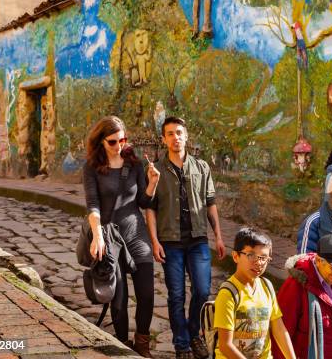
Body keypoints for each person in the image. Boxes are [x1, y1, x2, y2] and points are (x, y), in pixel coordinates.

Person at [145, 116, 226, 359]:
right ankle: (182, 346)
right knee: (176, 295)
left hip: (198, 240)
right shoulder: (155, 170)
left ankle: (193, 334)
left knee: (202, 291)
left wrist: (219, 237)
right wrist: (154, 241)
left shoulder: (202, 167)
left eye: (179, 132)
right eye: (170, 133)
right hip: (170, 242)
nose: (175, 137)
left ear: (186, 136)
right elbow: (149, 207)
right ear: (164, 139)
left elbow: (210, 204)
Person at [83, 116, 159, 357]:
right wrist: (97, 236)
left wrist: (152, 183)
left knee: (146, 293)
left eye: (123, 140)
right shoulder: (92, 167)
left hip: (135, 231)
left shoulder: (134, 163)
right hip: (108, 235)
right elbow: (92, 206)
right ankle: (124, 346)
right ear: (101, 141)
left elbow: (143, 202)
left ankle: (142, 343)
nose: (119, 146)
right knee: (119, 299)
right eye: (113, 141)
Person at [214, 228, 296, 359]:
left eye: (263, 257)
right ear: (236, 256)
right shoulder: (228, 293)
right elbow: (225, 345)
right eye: (251, 255)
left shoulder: (267, 287)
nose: (258, 262)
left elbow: (279, 329)